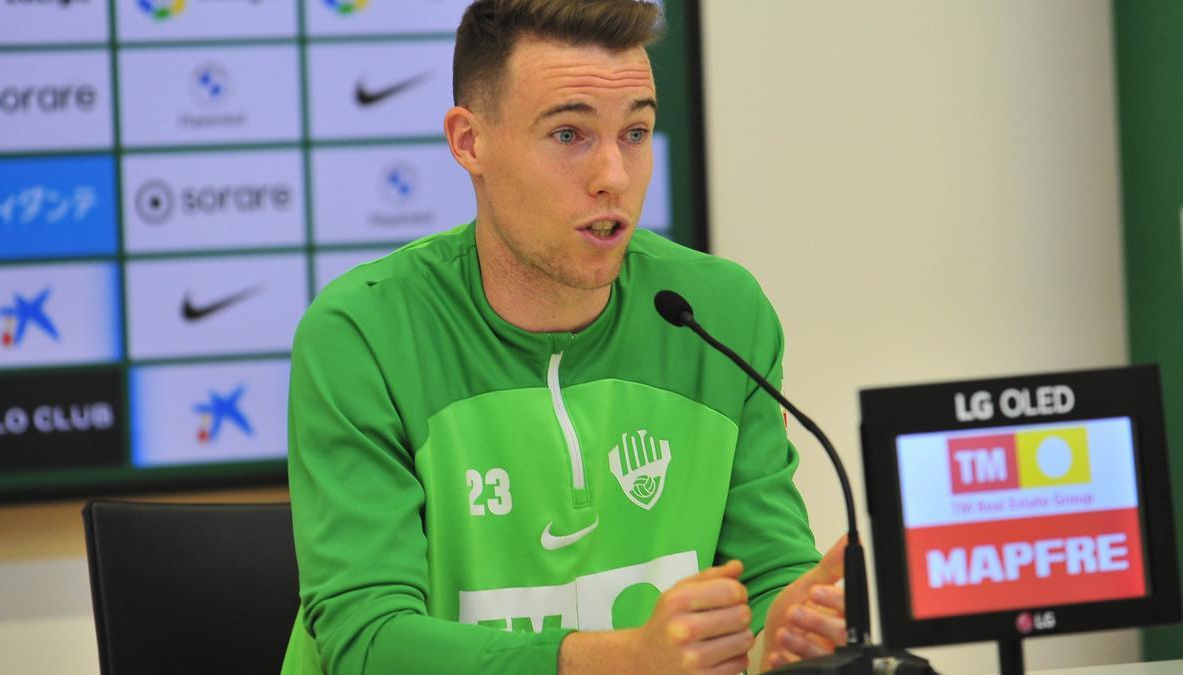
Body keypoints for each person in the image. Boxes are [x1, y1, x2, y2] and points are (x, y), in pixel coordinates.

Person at [281, 1, 848, 673]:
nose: (613, 175)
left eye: (635, 132)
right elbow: (369, 644)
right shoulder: (363, 334)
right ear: (470, 142)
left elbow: (767, 571)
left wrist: (790, 620)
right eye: (570, 135)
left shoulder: (720, 313)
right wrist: (620, 659)